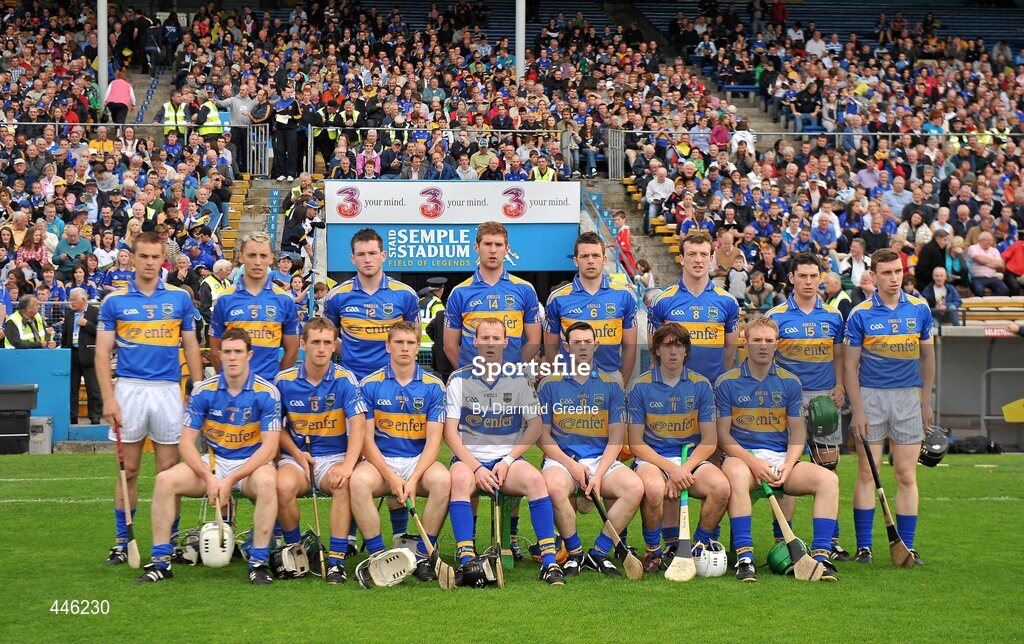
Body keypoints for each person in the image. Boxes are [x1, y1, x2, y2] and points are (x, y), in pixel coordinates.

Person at [134, 329, 281, 585]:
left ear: (250, 355)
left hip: (250, 466)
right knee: (165, 480)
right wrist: (208, 477)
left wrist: (232, 478)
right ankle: (161, 562)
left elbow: (269, 448)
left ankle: (258, 562)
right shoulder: (204, 390)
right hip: (214, 463)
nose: (233, 358)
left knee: (269, 482)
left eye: (238, 352)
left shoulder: (267, 391)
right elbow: (186, 443)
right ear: (219, 355)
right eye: (227, 352)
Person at [95, 231, 202, 565]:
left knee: (169, 471)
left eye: (156, 257)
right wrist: (109, 398)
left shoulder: (180, 299)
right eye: (144, 256)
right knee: (128, 471)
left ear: (162, 260)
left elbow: (191, 346)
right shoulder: (114, 302)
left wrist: (198, 391)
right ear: (133, 257)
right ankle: (122, 539)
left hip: (168, 390)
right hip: (129, 389)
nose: (150, 262)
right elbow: (101, 354)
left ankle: (169, 541)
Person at [716, 316, 840, 583]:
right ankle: (744, 557)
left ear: (777, 345)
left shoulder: (790, 382)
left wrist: (789, 463)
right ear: (745, 343)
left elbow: (797, 431)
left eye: (769, 341)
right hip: (741, 458)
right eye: (757, 340)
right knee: (736, 476)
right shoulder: (727, 382)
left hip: (780, 458)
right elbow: (724, 436)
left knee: (829, 479)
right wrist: (754, 463)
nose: (763, 346)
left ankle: (820, 557)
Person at [443, 318, 565, 586]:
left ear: (505, 342)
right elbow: (450, 433)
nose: (490, 344)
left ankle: (549, 561)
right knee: (461, 480)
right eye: (484, 338)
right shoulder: (459, 379)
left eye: (495, 338)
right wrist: (476, 467)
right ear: (474, 342)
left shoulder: (519, 379)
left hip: (506, 460)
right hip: (469, 459)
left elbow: (534, 427)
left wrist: (509, 460)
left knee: (535, 480)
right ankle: (467, 560)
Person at [845, 248, 934, 566]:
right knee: (866, 473)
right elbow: (850, 366)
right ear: (873, 276)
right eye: (887, 273)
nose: (894, 278)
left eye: (898, 271)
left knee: (906, 474)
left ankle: (906, 546)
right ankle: (864, 547)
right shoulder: (860, 313)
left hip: (908, 397)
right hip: (871, 397)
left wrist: (926, 400)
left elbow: (928, 358)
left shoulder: (920, 310)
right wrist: (857, 408)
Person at [538, 321, 644, 576]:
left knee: (635, 487)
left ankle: (598, 552)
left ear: (596, 346)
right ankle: (575, 552)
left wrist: (597, 475)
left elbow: (616, 439)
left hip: (601, 460)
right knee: (552, 487)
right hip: (562, 461)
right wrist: (572, 466)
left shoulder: (612, 385)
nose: (583, 348)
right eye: (577, 342)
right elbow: (541, 437)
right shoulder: (549, 385)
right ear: (566, 346)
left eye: (588, 343)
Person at [351, 321, 451, 584]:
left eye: (410, 343)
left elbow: (434, 441)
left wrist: (414, 478)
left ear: (418, 347)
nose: (404, 348)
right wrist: (391, 476)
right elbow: (366, 439)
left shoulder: (433, 385)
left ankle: (421, 557)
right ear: (388, 346)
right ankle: (378, 556)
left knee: (443, 480)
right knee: (358, 482)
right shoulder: (370, 384)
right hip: (381, 461)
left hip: (419, 460)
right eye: (399, 342)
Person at [626, 323, 730, 573]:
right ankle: (653, 550)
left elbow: (709, 441)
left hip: (690, 458)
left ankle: (697, 546)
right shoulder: (641, 386)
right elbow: (636, 443)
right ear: (657, 351)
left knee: (721, 487)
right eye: (667, 346)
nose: (673, 352)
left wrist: (683, 469)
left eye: (679, 346)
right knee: (652, 489)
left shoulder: (701, 385)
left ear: (686, 351)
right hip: (652, 459)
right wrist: (672, 469)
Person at [766, 253, 849, 560]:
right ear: (792, 279)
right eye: (803, 276)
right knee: (785, 470)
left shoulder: (833, 316)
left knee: (829, 467)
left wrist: (840, 385)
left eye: (814, 276)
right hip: (788, 401)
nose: (809, 282)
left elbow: (839, 355)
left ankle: (831, 539)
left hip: (824, 399)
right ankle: (783, 537)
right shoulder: (776, 316)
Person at [275, 318, 367, 584]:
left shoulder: (345, 379)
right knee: (282, 487)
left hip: (334, 458)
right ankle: (296, 552)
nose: (322, 348)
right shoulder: (284, 380)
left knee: (343, 484)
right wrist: (296, 451)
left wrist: (348, 466)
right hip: (297, 457)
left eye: (328, 342)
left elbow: (358, 426)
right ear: (303, 344)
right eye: (315, 342)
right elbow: (275, 428)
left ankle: (336, 561)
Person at [324, 228, 421, 381]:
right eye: (361, 254)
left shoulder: (406, 294)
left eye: (372, 253)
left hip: (393, 382)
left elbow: (415, 339)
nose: (367, 260)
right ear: (352, 258)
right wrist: (351, 352)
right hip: (352, 381)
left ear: (383, 256)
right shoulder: (336, 296)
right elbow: (327, 340)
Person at [444, 221, 542, 370]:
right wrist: (468, 375)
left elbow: (534, 341)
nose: (493, 250)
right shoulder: (460, 292)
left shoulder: (525, 289)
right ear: (476, 247)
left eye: (498, 245)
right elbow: (450, 346)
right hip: (472, 382)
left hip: (512, 381)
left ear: (507, 249)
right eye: (487, 244)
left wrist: (513, 371)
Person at [545, 232, 639, 384]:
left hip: (611, 378)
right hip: (569, 378)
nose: (590, 261)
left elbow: (630, 347)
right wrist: (558, 379)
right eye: (584, 256)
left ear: (604, 259)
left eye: (595, 255)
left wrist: (622, 381)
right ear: (576, 260)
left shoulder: (623, 296)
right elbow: (551, 349)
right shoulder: (557, 298)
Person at [648, 231, 740, 383]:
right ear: (682, 259)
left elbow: (730, 349)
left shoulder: (728, 301)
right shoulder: (661, 300)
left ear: (711, 259)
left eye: (703, 254)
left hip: (713, 390)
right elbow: (654, 350)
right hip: (672, 388)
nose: (698, 260)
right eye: (691, 254)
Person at [210, 232, 300, 381]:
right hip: (233, 391)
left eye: (263, 256)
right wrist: (230, 382)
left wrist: (275, 384)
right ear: (241, 257)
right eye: (251, 255)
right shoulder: (224, 299)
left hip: (269, 390)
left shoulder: (285, 300)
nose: (257, 262)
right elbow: (215, 351)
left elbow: (292, 351)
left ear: (271, 258)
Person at [62, 288, 101, 424]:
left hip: (90, 356)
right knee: (72, 388)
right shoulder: (69, 315)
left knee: (93, 388)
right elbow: (65, 336)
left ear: (83, 300)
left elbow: (102, 333)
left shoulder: (95, 313)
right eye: (70, 299)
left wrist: (87, 324)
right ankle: (72, 417)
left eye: (73, 299)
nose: (70, 302)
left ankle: (95, 416)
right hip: (73, 355)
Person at [418, 276, 447, 348]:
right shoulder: (436, 302)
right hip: (430, 344)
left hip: (418, 345)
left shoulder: (420, 301)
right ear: (441, 290)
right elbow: (441, 323)